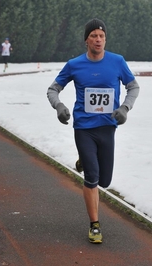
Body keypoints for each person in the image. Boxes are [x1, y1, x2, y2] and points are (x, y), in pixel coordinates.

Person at [47, 18, 140, 244]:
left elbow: (133, 86)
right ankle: (95, 225)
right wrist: (59, 106)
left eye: (102, 36)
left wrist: (125, 108)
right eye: (94, 36)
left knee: (105, 181)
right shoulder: (74, 64)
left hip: (107, 128)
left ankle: (85, 161)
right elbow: (53, 89)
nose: (98, 40)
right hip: (84, 128)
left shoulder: (117, 62)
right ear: (86, 40)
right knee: (92, 178)